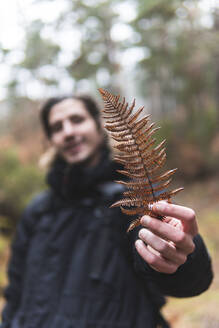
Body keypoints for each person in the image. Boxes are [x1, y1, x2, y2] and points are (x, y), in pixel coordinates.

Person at [1, 95, 213, 328]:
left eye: (77, 119)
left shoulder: (133, 198)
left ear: (99, 126)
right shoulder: (38, 211)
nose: (68, 131)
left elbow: (187, 279)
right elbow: (16, 291)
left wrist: (184, 257)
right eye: (57, 127)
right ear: (51, 141)